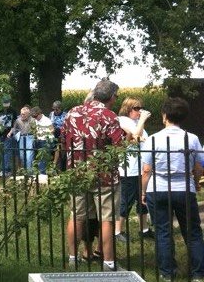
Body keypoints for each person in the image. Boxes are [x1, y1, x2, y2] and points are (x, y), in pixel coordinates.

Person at [62, 79, 125, 271]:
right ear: (112, 97)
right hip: (104, 177)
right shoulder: (109, 116)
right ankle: (108, 262)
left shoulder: (72, 112)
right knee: (107, 219)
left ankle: (73, 258)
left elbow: (64, 141)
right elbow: (119, 148)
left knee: (76, 215)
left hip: (77, 174)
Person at [140, 97, 204, 281]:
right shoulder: (191, 139)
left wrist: (144, 192)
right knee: (192, 232)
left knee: (163, 231)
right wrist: (197, 181)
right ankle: (198, 273)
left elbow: (146, 170)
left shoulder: (153, 139)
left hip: (158, 187)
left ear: (165, 115)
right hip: (184, 187)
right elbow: (199, 166)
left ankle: (167, 273)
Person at [114, 97, 153, 242]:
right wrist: (142, 119)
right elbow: (137, 134)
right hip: (128, 168)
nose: (139, 111)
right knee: (126, 200)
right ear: (128, 109)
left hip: (140, 168)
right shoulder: (123, 120)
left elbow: (141, 137)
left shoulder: (137, 122)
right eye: (137, 109)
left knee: (142, 200)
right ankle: (118, 231)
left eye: (141, 108)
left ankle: (144, 229)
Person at [0, 95, 17, 176]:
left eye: (7, 103)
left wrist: (11, 132)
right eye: (4, 103)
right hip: (0, 134)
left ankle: (6, 170)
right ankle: (6, 169)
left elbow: (15, 123)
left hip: (9, 134)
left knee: (7, 151)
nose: (6, 105)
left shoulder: (13, 111)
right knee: (2, 151)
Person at [8, 106, 36, 172]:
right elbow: (14, 128)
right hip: (21, 138)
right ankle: (25, 171)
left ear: (28, 114)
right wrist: (10, 133)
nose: (21, 115)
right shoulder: (18, 120)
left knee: (29, 156)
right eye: (21, 113)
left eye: (23, 114)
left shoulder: (32, 120)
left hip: (30, 138)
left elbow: (36, 129)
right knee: (21, 155)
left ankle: (29, 173)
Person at [31, 106, 54, 175]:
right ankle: (41, 172)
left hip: (45, 140)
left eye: (35, 116)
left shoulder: (46, 120)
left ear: (40, 113)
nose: (34, 118)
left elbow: (52, 129)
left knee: (43, 158)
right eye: (33, 116)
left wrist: (45, 132)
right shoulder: (36, 120)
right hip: (38, 140)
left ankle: (42, 173)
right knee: (39, 157)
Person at [48, 100, 67, 171]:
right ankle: (53, 165)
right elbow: (49, 124)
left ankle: (57, 165)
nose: (55, 111)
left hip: (62, 134)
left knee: (60, 148)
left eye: (57, 109)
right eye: (54, 109)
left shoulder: (65, 114)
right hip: (53, 133)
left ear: (60, 108)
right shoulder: (51, 114)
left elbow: (66, 125)